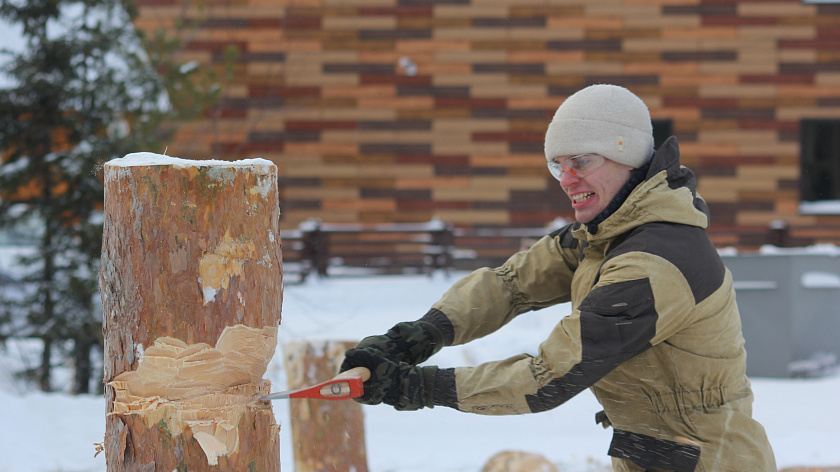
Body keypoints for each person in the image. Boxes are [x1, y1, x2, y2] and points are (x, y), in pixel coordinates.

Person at [340, 84, 776, 472]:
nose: (567, 180)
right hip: (660, 456)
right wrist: (416, 335)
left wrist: (411, 386)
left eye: (581, 161)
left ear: (626, 156)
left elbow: (545, 379)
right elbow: (512, 284)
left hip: (711, 461)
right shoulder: (607, 233)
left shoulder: (651, 264)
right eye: (558, 166)